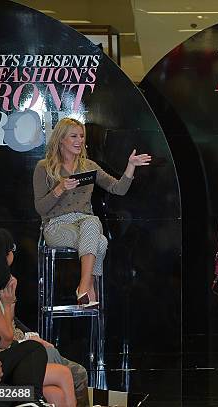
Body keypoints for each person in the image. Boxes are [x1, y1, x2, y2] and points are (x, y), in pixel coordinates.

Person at [33, 117, 151, 305]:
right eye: (74, 136)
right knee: (99, 239)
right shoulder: (44, 167)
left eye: (81, 136)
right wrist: (60, 188)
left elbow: (118, 189)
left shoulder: (89, 166)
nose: (79, 140)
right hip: (56, 226)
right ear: (61, 139)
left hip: (85, 223)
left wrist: (131, 167)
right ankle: (88, 287)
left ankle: (84, 290)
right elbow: (40, 208)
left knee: (94, 227)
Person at [0, 228, 78, 406]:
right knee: (39, 354)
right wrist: (9, 303)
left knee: (53, 392)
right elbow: (5, 339)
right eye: (10, 250)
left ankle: (32, 401)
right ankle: (29, 402)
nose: (12, 254)